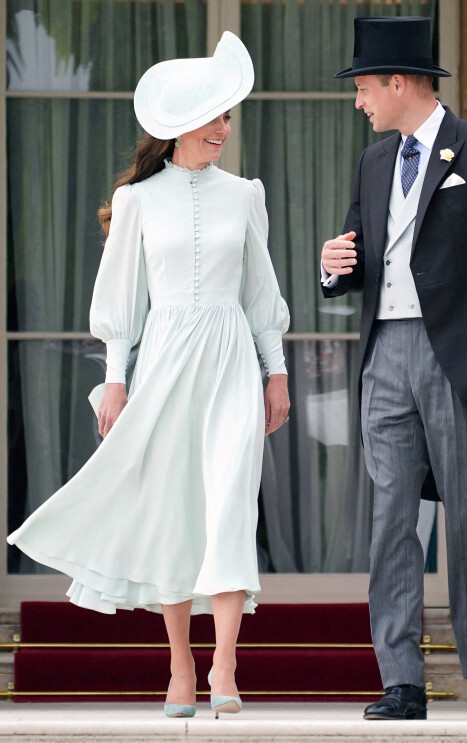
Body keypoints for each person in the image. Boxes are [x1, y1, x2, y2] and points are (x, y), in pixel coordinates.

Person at [8, 32, 290, 719]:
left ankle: (225, 661)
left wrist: (275, 373)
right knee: (172, 515)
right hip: (163, 361)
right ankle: (181, 665)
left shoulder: (244, 195)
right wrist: (114, 378)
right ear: (185, 122)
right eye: (218, 116)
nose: (226, 128)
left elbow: (260, 296)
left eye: (229, 116)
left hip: (230, 363)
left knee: (229, 507)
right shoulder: (137, 201)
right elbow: (121, 303)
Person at [321, 17, 467, 721]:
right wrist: (333, 269)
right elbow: (363, 253)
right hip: (385, 355)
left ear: (398, 82)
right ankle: (402, 680)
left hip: (459, 358)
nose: (359, 101)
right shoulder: (374, 162)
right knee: (390, 518)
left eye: (362, 87)